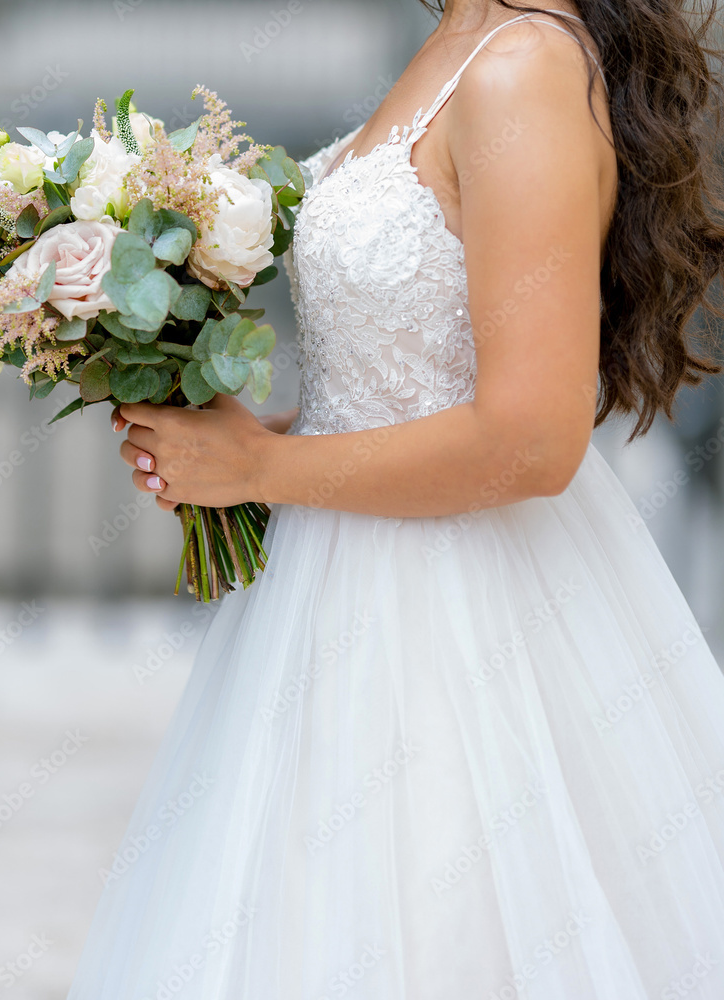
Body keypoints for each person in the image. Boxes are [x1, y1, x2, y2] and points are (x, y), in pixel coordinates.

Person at [68, 1, 724, 997]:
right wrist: (242, 446)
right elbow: (412, 380)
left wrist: (257, 472)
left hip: (466, 619)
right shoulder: (456, 41)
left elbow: (531, 441)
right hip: (327, 591)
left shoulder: (522, 68)